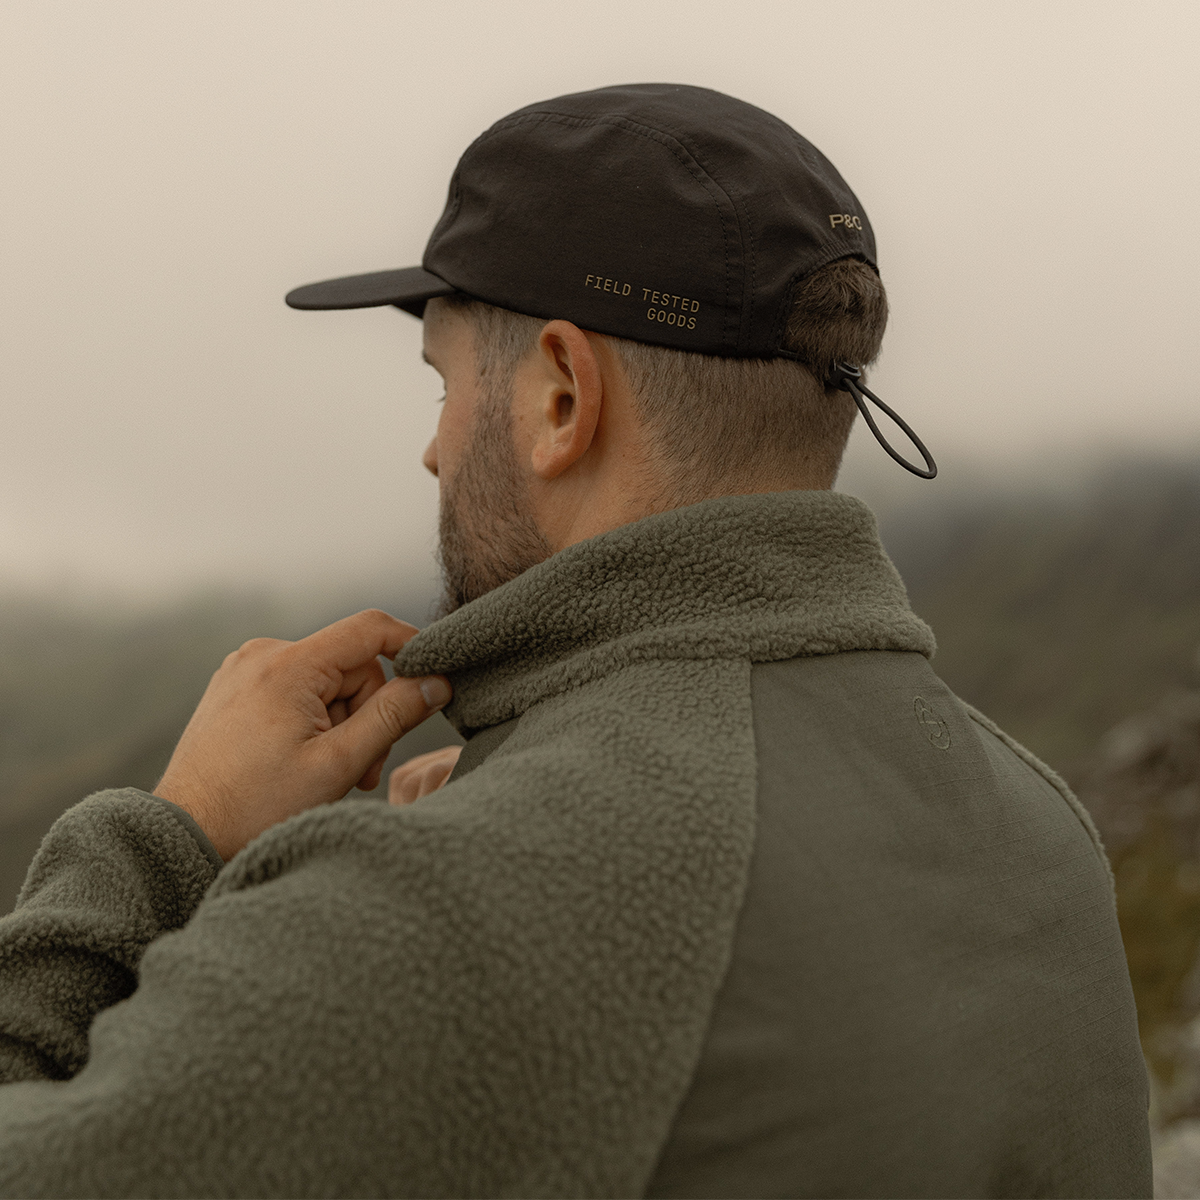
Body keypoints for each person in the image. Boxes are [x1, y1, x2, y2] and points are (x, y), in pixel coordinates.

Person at [0, 83, 1150, 1198]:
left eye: (442, 384)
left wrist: (176, 833)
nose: (434, 451)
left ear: (561, 396)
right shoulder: (1040, 825)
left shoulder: (454, 911)